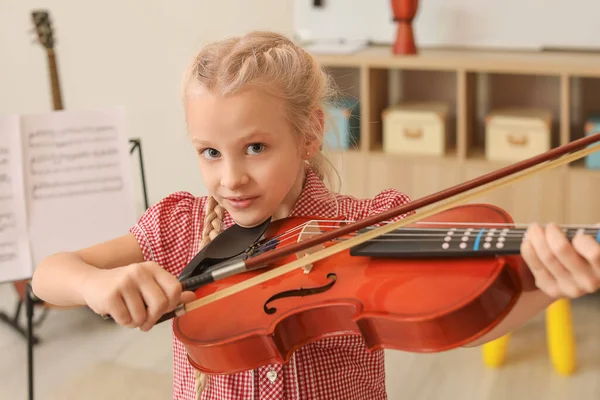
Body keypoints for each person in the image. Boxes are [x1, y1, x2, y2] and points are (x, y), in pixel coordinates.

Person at [31, 31, 600, 400]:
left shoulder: (374, 224)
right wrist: (98, 283)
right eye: (209, 152)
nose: (230, 178)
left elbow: (466, 328)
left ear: (308, 135)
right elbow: (48, 277)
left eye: (255, 148)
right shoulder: (180, 225)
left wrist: (543, 284)